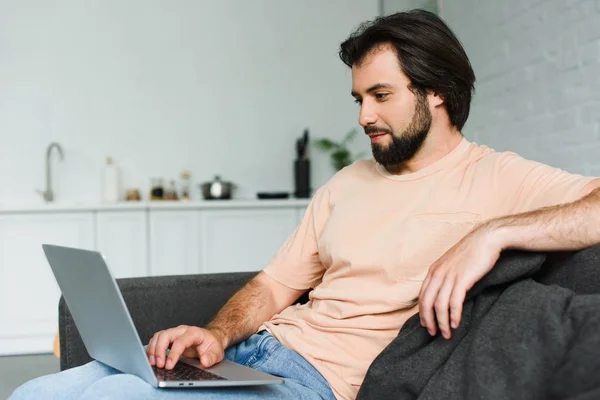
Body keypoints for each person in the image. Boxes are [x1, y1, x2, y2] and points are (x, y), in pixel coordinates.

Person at [11, 9, 600, 400]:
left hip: (311, 383)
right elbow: (273, 284)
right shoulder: (348, 183)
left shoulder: (497, 176)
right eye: (358, 98)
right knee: (36, 392)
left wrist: (492, 234)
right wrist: (215, 335)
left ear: (437, 92)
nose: (364, 116)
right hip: (247, 355)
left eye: (381, 95)